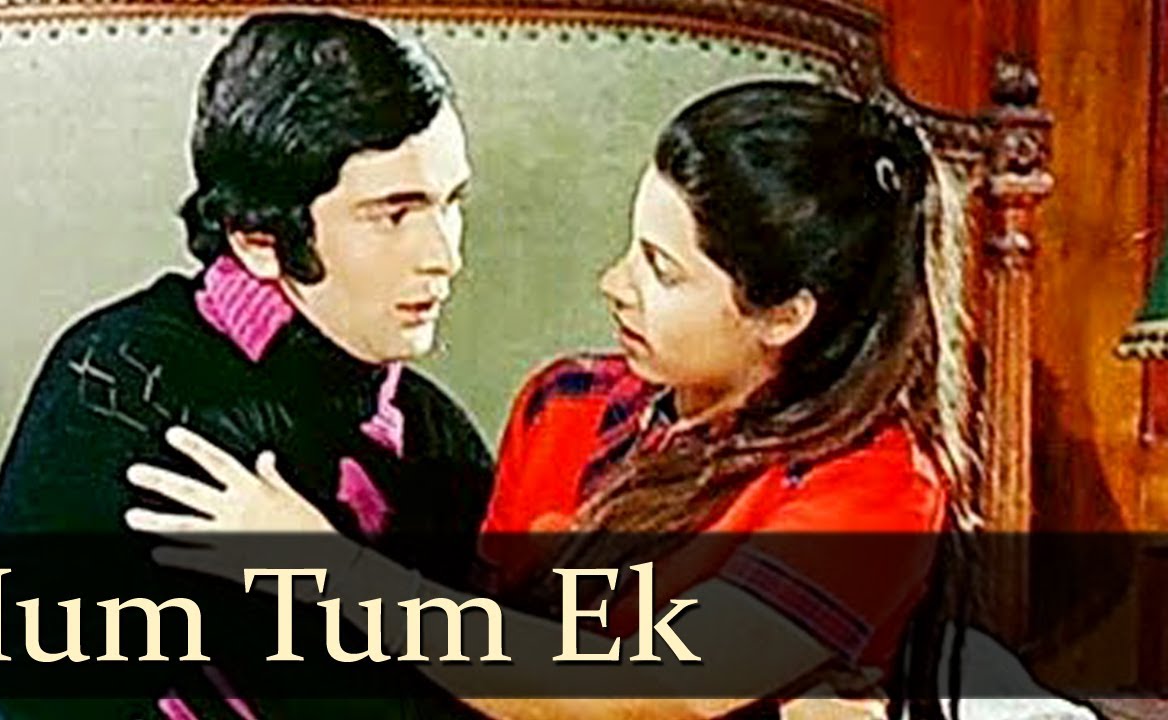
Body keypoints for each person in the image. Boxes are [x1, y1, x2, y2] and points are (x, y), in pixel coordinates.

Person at [126, 81, 981, 719]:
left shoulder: (876, 487)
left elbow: (643, 697)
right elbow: (478, 653)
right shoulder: (568, 404)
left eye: (662, 270)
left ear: (786, 314)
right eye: (632, 247)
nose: (614, 284)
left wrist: (325, 568)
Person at [0, 12, 491, 720]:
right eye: (393, 214)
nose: (444, 256)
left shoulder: (431, 435)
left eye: (451, 203)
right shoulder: (131, 380)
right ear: (258, 238)